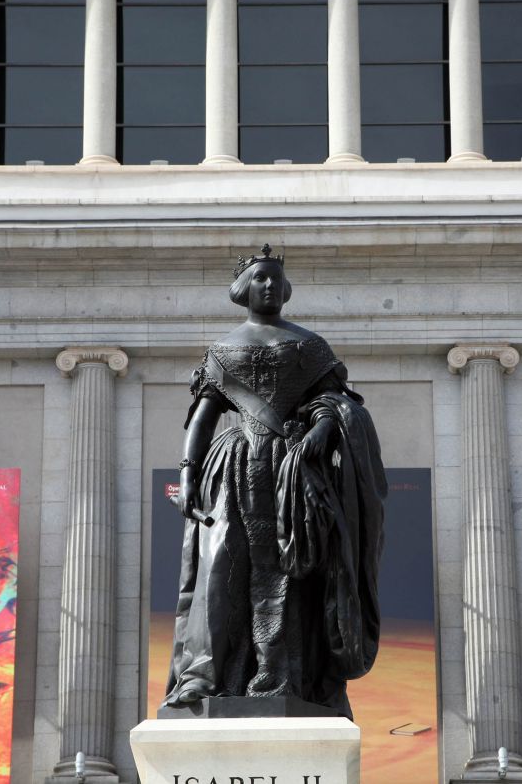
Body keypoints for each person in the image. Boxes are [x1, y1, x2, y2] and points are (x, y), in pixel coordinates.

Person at [163, 244, 387, 717]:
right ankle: (204, 679)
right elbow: (203, 419)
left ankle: (288, 679)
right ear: (244, 289)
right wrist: (187, 475)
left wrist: (322, 430)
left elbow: (341, 405)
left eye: (274, 278)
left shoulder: (310, 347)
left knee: (293, 575)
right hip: (231, 470)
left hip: (291, 475)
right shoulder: (222, 351)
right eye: (260, 278)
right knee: (220, 572)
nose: (268, 285)